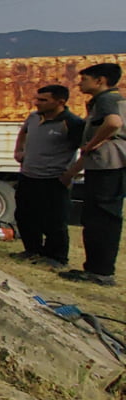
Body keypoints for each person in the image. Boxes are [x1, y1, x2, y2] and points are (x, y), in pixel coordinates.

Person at [58, 63, 124, 286]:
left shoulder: (107, 99)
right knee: (95, 218)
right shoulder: (105, 101)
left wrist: (93, 143)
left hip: (109, 166)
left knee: (102, 218)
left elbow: (114, 123)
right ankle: (95, 268)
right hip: (103, 165)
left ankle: (101, 272)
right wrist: (72, 172)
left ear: (100, 80)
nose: (80, 83)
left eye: (84, 79)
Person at [10, 85, 84, 268]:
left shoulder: (72, 122)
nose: (37, 103)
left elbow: (87, 150)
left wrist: (70, 174)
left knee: (54, 220)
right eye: (37, 99)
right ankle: (32, 250)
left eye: (43, 100)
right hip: (28, 175)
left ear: (60, 102)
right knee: (25, 215)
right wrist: (19, 150)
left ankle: (57, 257)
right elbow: (23, 132)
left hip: (54, 179)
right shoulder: (34, 117)